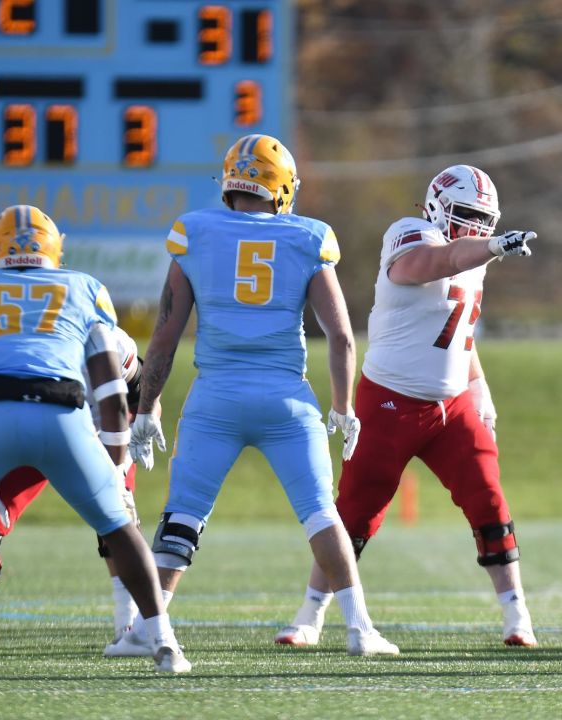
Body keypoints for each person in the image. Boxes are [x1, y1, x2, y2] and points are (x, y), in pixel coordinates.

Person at [123, 134, 398, 657]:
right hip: (285, 400)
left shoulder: (195, 232)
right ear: (282, 188)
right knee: (320, 511)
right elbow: (339, 335)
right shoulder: (306, 236)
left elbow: (164, 333)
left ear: (231, 182)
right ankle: (359, 628)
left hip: (215, 399)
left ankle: (148, 627)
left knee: (183, 512)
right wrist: (343, 406)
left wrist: (145, 406)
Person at [274, 165, 539, 648]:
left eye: (484, 220)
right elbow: (431, 264)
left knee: (489, 499)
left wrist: (480, 387)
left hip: (452, 404)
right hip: (390, 400)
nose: (476, 228)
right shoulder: (409, 232)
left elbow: (458, 331)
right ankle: (309, 614)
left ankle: (516, 615)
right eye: (466, 216)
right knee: (356, 510)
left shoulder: (475, 253)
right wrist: (494, 245)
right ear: (438, 206)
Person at [0, 205, 191, 673]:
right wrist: (118, 452)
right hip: (69, 424)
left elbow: (137, 389)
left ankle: (128, 624)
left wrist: (132, 434)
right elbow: (110, 383)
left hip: (50, 424)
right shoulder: (83, 294)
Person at [0, 326, 164, 657]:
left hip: (92, 437)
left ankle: (128, 625)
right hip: (23, 436)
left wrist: (139, 427)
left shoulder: (110, 341)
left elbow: (142, 391)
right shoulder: (12, 342)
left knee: (117, 517)